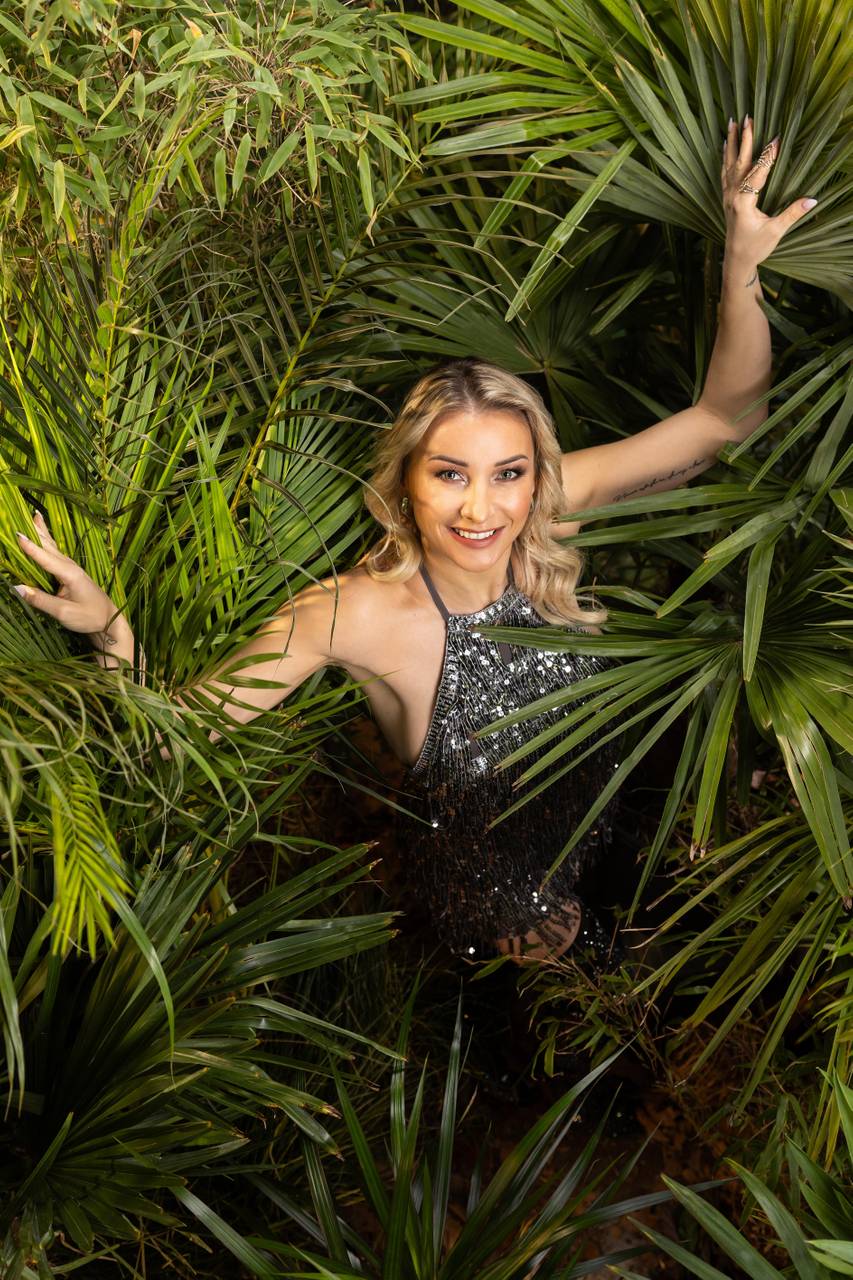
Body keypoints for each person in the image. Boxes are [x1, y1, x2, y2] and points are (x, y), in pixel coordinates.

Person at [12, 121, 815, 965]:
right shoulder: (350, 614)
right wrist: (113, 635)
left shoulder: (546, 513)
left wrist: (740, 265)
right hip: (514, 937)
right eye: (449, 474)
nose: (482, 508)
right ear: (404, 481)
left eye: (507, 473)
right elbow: (170, 742)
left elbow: (725, 421)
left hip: (625, 838)